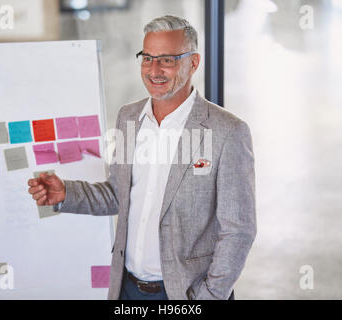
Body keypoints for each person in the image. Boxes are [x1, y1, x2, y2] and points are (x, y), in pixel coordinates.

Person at [28, 15, 256, 300]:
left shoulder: (227, 132)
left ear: (193, 63)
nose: (154, 70)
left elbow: (238, 230)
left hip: (185, 294)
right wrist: (66, 193)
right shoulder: (129, 118)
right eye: (147, 58)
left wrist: (209, 295)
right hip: (127, 289)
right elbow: (118, 194)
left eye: (167, 60)